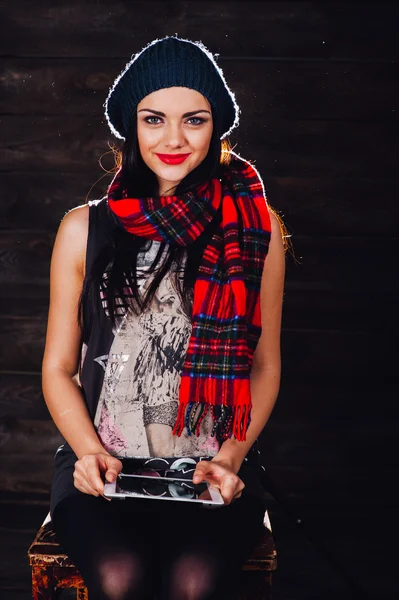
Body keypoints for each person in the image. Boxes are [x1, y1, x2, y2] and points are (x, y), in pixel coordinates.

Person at [42, 35, 286, 600]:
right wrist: (87, 453)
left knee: (193, 583)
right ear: (132, 127)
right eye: (154, 120)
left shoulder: (254, 228)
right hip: (103, 460)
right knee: (120, 576)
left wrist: (229, 460)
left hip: (209, 462)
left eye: (194, 120)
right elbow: (58, 368)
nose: (173, 139)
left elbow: (266, 364)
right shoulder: (84, 228)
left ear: (216, 127)